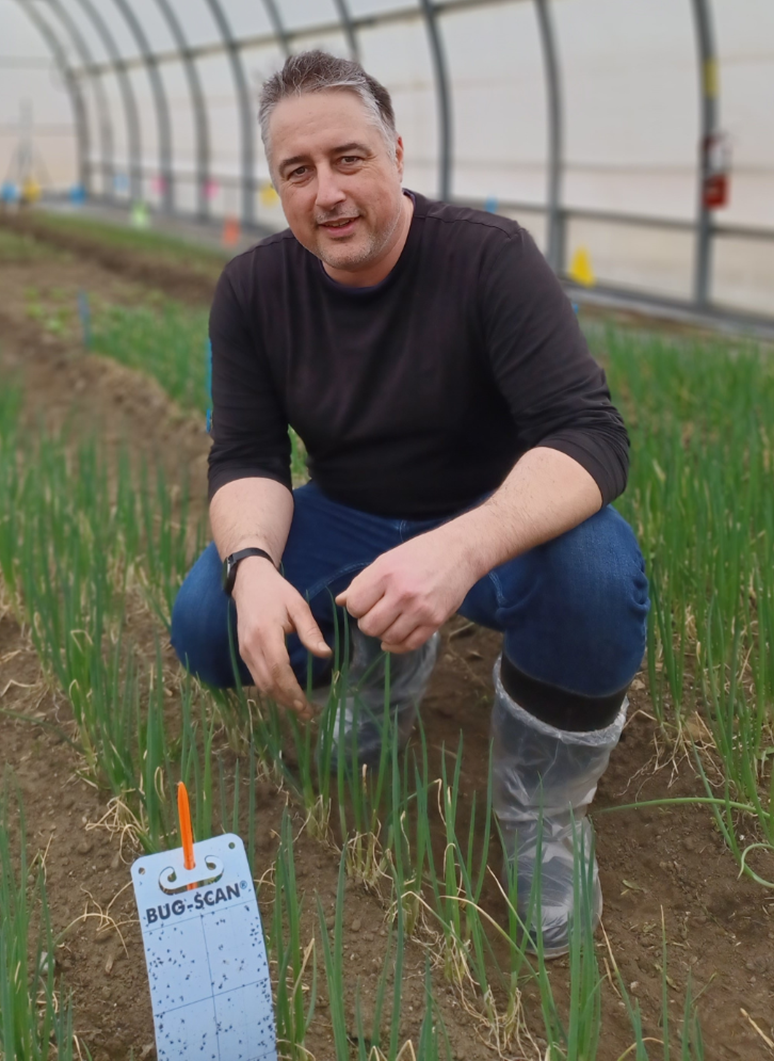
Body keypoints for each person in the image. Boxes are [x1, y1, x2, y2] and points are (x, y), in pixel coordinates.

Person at [171, 50, 649, 953]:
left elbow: (591, 437)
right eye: (297, 172)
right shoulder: (253, 291)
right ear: (277, 186)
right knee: (208, 619)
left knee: (596, 573)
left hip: (489, 513)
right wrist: (253, 568)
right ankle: (380, 668)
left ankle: (541, 807)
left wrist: (460, 548)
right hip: (349, 508)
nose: (327, 193)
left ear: (396, 152)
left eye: (348, 159)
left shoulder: (486, 259)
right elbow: (244, 457)